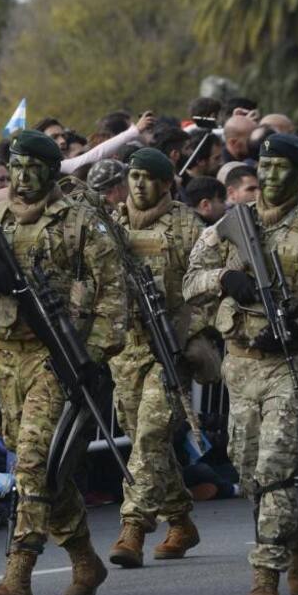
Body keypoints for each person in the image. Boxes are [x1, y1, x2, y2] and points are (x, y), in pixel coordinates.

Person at [0, 129, 126, 595]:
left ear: (50, 170)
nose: (21, 175)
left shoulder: (82, 220)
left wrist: (97, 355)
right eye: (15, 165)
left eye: (32, 166)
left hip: (55, 357)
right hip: (4, 357)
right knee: (41, 467)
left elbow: (113, 294)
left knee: (33, 465)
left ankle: (18, 573)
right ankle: (85, 558)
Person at [183, 132, 298, 595]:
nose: (272, 177)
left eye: (283, 168)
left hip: (286, 364)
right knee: (249, 473)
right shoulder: (234, 224)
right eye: (266, 168)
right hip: (239, 363)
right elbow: (192, 280)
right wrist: (226, 278)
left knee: (276, 470)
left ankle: (266, 572)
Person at [104, 148, 206, 569]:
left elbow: (204, 285)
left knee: (149, 435)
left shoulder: (187, 225)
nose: (139, 184)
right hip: (124, 348)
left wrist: (193, 334)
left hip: (169, 347)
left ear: (167, 183)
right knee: (144, 437)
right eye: (134, 176)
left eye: (149, 177)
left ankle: (133, 526)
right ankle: (180, 520)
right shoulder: (112, 224)